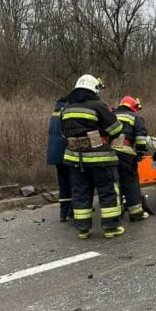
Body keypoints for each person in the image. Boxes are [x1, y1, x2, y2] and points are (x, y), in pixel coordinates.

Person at [61, 74, 125, 239]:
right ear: (94, 89)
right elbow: (116, 130)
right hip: (100, 158)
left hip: (75, 158)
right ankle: (111, 227)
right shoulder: (98, 105)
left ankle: (83, 229)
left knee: (80, 192)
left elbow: (63, 133)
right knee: (108, 191)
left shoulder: (67, 107)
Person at [112, 96, 149, 221]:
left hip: (108, 153)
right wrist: (140, 152)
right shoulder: (135, 117)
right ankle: (136, 213)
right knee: (130, 182)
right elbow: (141, 138)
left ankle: (116, 213)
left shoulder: (110, 115)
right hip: (125, 153)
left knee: (113, 183)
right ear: (133, 106)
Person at [47, 97, 72, 222]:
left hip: (54, 155)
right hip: (65, 154)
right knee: (74, 182)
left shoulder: (54, 113)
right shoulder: (67, 113)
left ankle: (63, 212)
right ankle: (73, 212)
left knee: (63, 184)